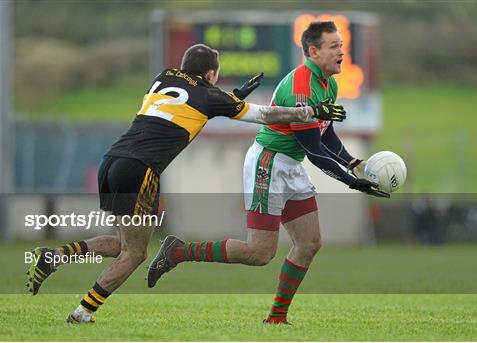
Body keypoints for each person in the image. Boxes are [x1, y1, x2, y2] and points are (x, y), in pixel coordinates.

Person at [26, 43, 346, 324]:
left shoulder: (164, 77)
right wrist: (312, 110)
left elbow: (186, 106)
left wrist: (229, 98)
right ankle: (82, 313)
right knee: (135, 254)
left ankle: (53, 257)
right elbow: (267, 115)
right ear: (210, 75)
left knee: (123, 244)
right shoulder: (210, 94)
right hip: (141, 169)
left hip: (112, 161)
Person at [147, 22, 388, 324]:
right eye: (334, 46)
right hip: (269, 163)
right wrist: (354, 183)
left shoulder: (330, 83)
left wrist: (354, 164)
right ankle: (179, 252)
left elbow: (325, 134)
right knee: (259, 253)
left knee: (310, 243)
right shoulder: (301, 86)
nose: (342, 51)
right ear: (313, 51)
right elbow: (313, 150)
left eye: (342, 44)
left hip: (289, 163)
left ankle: (276, 318)